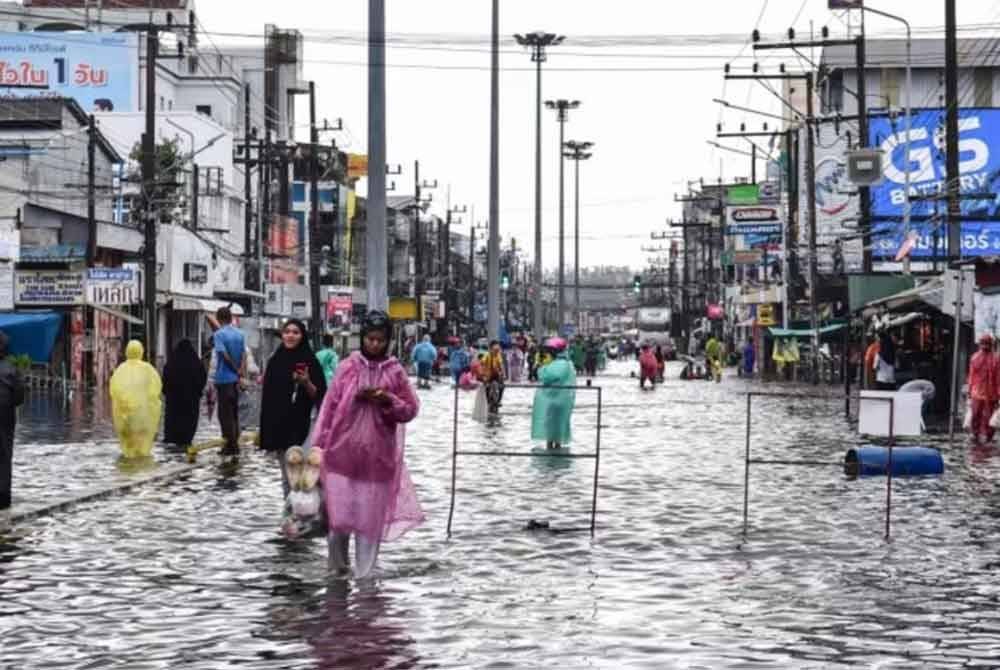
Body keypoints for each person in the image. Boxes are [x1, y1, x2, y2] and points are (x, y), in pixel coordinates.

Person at [311, 310, 424, 577]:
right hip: (340, 457)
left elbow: (410, 409)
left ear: (388, 341)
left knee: (368, 527)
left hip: (378, 461)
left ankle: (366, 581)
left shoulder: (396, 372)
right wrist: (318, 447)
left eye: (380, 340)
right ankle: (337, 577)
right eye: (370, 339)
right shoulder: (347, 367)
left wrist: (387, 400)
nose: (374, 344)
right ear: (362, 338)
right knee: (338, 524)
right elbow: (329, 408)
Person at [260, 319, 327, 495]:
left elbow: (321, 396)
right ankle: (290, 515)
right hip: (280, 427)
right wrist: (267, 433)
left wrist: (306, 382)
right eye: (287, 332)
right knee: (288, 476)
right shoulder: (275, 361)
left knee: (308, 476)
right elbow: (268, 400)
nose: (290, 335)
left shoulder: (310, 361)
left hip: (305, 426)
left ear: (302, 336)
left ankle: (310, 514)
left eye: (295, 332)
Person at [109, 340, 162, 459]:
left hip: (125, 414)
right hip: (142, 415)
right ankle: (141, 462)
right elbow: (156, 389)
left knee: (128, 445)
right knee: (141, 444)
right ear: (141, 351)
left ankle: (129, 460)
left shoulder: (120, 369)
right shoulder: (148, 369)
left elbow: (113, 390)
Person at [531, 338, 577, 449]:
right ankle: (555, 451)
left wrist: (540, 367)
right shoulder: (567, 363)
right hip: (561, 400)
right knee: (558, 428)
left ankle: (552, 452)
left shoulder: (560, 364)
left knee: (552, 428)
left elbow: (546, 377)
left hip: (555, 401)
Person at [213, 306, 245, 459]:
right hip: (235, 379)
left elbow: (223, 354)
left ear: (219, 319)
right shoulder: (240, 334)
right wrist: (240, 371)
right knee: (234, 413)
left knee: (224, 414)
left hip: (223, 378)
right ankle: (234, 443)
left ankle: (230, 445)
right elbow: (244, 354)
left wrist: (233, 367)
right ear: (231, 317)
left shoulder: (219, 334)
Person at [162, 339, 208, 447]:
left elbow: (165, 379)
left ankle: (172, 441)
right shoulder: (196, 363)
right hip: (191, 401)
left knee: (173, 422)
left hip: (174, 401)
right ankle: (186, 440)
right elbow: (202, 379)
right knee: (189, 423)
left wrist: (166, 392)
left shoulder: (171, 363)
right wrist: (198, 392)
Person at [0, 332, 24, 510]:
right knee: (4, 453)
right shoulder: (12, 369)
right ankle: (3, 498)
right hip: (5, 415)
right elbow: (19, 397)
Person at [967, 334, 998, 443]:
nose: (984, 346)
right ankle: (976, 434)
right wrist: (970, 390)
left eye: (986, 343)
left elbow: (998, 377)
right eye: (983, 343)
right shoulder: (975, 357)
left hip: (990, 392)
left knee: (987, 416)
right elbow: (971, 375)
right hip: (979, 391)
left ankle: (986, 436)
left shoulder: (995, 358)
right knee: (977, 414)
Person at [479, 340, 506, 413]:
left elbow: (501, 365)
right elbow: (481, 364)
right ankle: (487, 401)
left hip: (496, 375)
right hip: (488, 376)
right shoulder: (487, 355)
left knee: (503, 386)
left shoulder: (498, 355)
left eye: (498, 350)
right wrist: (483, 375)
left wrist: (503, 374)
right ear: (491, 348)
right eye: (495, 350)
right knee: (487, 387)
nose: (497, 351)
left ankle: (499, 401)